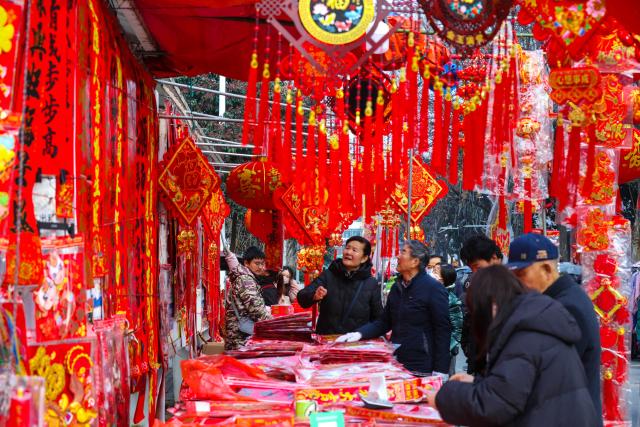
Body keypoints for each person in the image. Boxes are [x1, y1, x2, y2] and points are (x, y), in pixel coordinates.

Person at [425, 265, 599, 426]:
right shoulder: (530, 319)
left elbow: (495, 404)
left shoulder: (525, 333)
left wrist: (443, 397)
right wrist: (476, 383)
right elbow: (516, 385)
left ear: (492, 303)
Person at [507, 233, 602, 423]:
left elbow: (546, 376)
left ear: (547, 268)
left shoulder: (567, 307)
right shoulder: (558, 300)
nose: (517, 283)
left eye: (522, 274)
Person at [337, 240, 451, 377]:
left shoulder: (433, 288)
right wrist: (359, 334)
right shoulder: (398, 288)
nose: (397, 256)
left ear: (415, 261)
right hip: (397, 362)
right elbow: (384, 322)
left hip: (422, 365)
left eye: (403, 252)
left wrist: (440, 370)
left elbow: (443, 330)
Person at [297, 236, 383, 335]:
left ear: (364, 258)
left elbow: (378, 320)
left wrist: (362, 334)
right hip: (327, 342)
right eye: (347, 248)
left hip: (355, 345)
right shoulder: (328, 275)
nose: (348, 252)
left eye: (354, 250)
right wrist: (314, 295)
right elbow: (301, 297)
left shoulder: (371, 283)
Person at [459, 234, 503, 374]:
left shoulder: (512, 289)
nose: (475, 273)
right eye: (471, 269)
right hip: (479, 368)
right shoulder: (475, 286)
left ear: (494, 258)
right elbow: (468, 327)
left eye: (477, 267)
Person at [224, 246, 272, 350]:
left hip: (238, 338)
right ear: (246, 263)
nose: (260, 267)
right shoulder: (246, 280)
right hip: (240, 340)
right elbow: (257, 311)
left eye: (262, 263)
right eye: (257, 263)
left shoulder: (243, 277)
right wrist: (277, 324)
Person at [439, 263, 463, 375]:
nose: (432, 274)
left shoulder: (452, 300)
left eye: (435, 272)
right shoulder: (434, 293)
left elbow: (457, 329)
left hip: (446, 350)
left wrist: (448, 348)